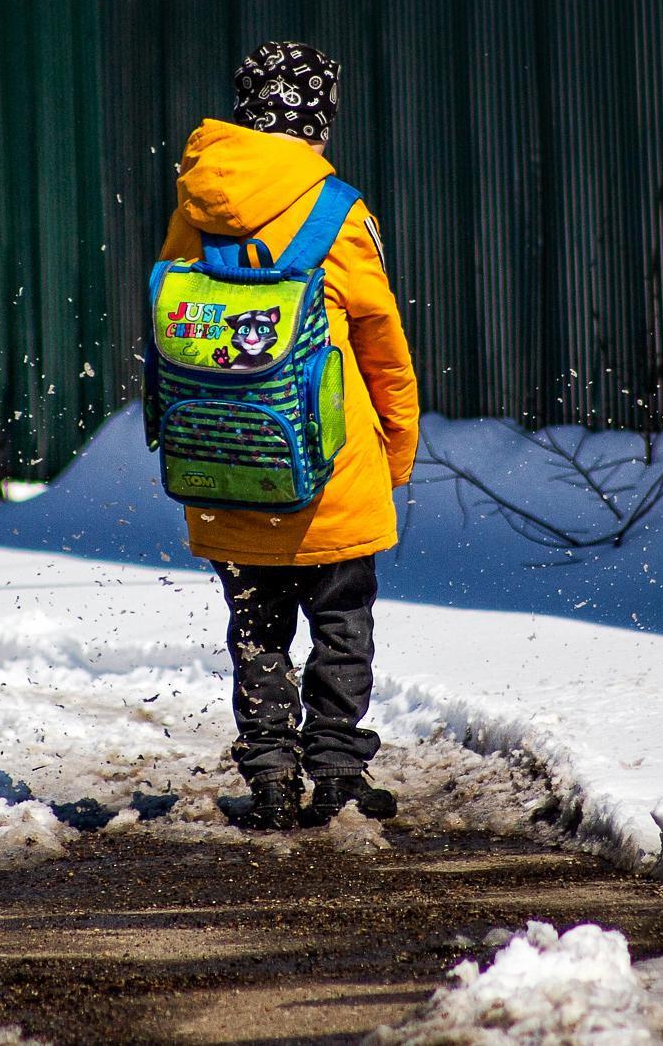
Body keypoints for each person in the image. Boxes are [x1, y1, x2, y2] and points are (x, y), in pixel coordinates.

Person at [155, 41, 419, 829]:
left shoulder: (194, 206)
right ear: (320, 124)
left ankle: (270, 776)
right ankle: (337, 773)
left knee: (255, 626)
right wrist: (397, 446)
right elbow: (381, 343)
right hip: (329, 470)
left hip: (226, 461)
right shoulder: (339, 213)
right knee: (342, 624)